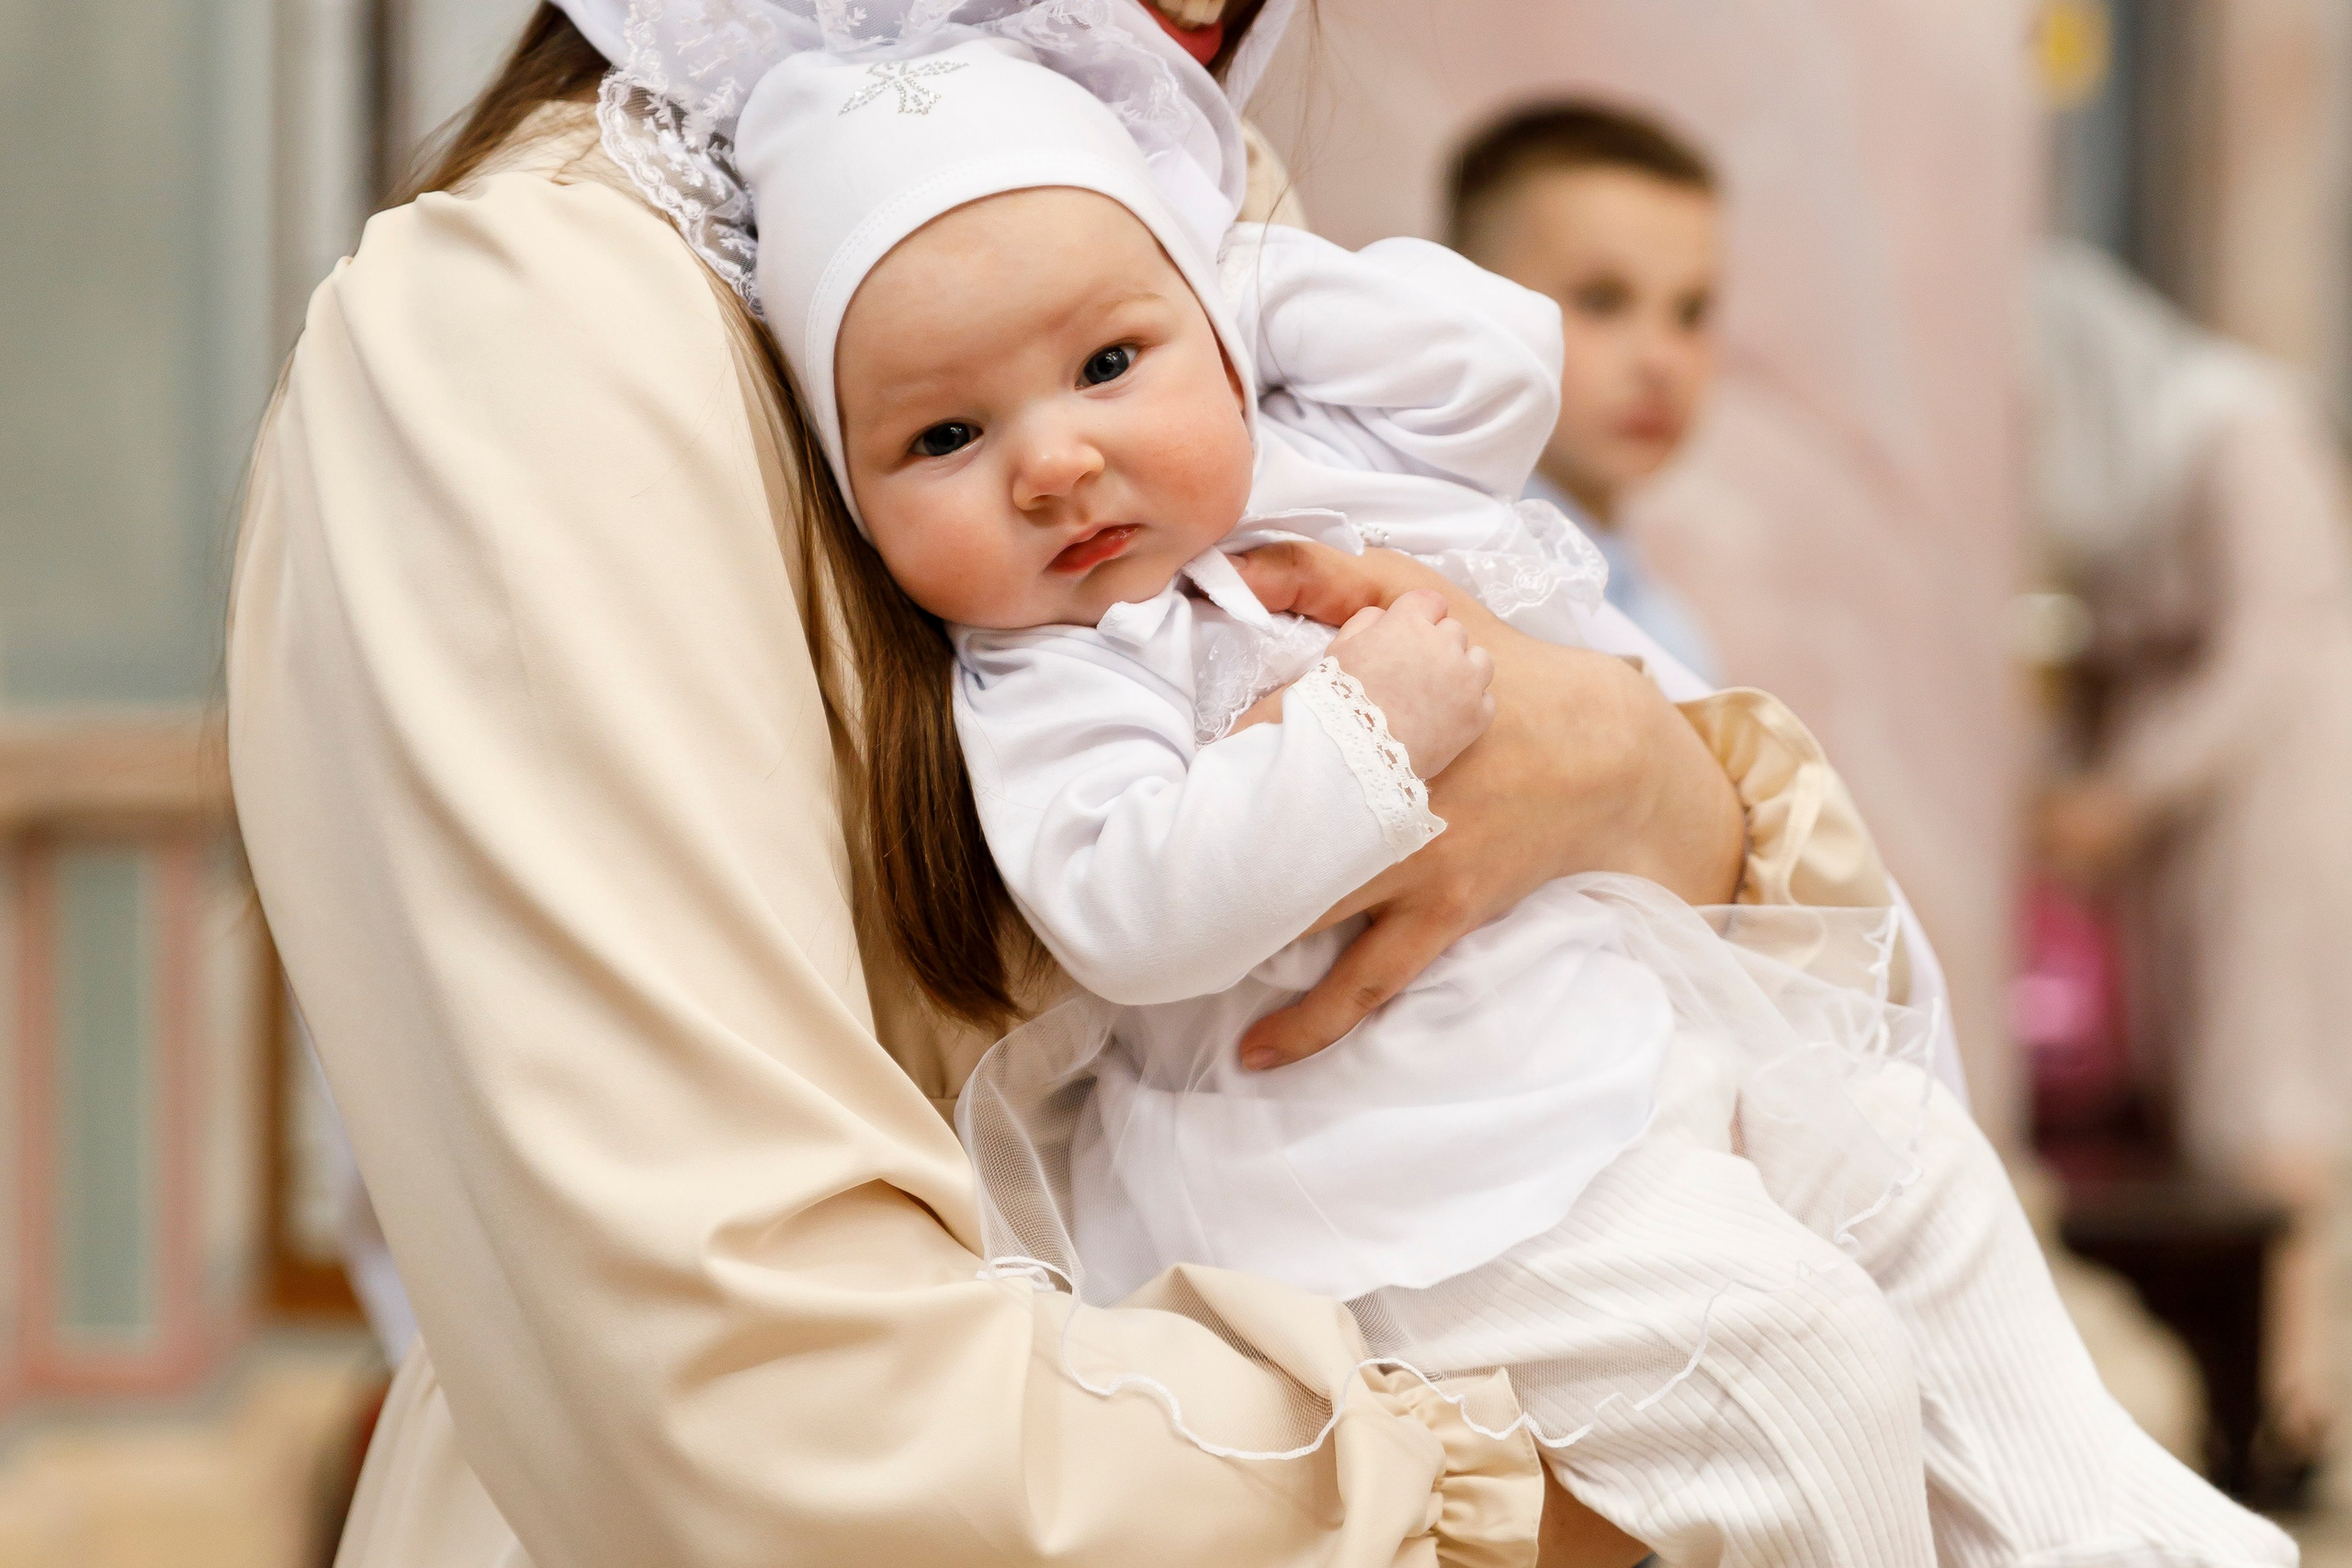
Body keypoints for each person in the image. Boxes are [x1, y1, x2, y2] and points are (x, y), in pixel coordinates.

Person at [227, 3, 1945, 1562]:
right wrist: (1590, 1497)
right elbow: (752, 1401)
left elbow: (1710, 928)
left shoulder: (1136, 180)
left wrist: (1624, 771)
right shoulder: (531, 327)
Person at [747, 36, 2290, 1567]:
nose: (1057, 459)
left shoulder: (1293, 469)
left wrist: (1232, 278)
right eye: (946, 436)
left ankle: (2127, 1539)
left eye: (1107, 362)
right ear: (859, 503)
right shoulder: (1050, 674)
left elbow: (1497, 364)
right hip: (1386, 1176)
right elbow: (1129, 910)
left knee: (1904, 1150)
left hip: (1583, 1061)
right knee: (1795, 1359)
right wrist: (1359, 732)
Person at [2033, 238, 2352, 1472]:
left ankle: (2290, 1391)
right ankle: (2245, 1382)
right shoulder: (2131, 470)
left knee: (2270, 1077)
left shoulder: (2237, 428)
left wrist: (2126, 788)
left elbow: (2270, 644)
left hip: (2277, 782)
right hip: (2190, 806)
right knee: (2204, 1072)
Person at [1446, 102, 1720, 684]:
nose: (1662, 360)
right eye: (1602, 300)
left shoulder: (1670, 634)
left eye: (1691, 312)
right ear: (1468, 303)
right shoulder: (1430, 584)